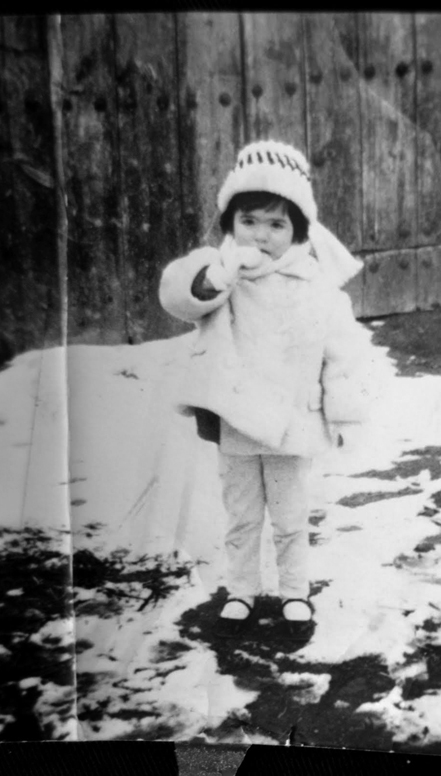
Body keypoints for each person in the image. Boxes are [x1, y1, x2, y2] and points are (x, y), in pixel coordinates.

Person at [159, 140, 371, 641]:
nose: (261, 235)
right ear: (230, 223)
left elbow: (341, 354)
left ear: (299, 230)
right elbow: (179, 294)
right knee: (242, 514)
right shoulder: (221, 273)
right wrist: (217, 276)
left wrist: (339, 413)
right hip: (236, 418)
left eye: (277, 225)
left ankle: (295, 589)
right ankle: (241, 590)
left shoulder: (314, 283)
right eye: (249, 221)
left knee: (290, 514)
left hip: (292, 422)